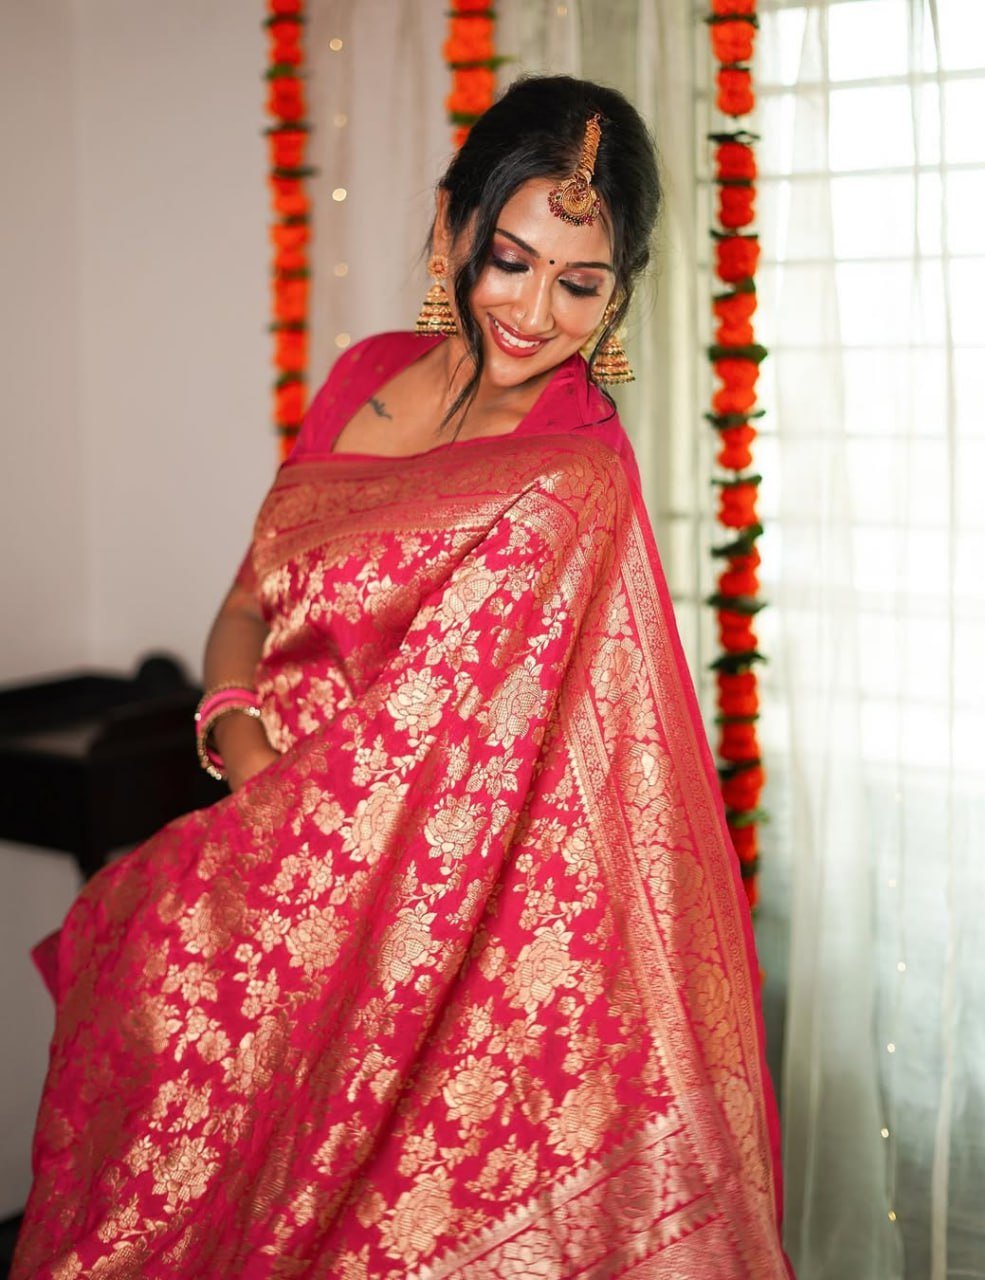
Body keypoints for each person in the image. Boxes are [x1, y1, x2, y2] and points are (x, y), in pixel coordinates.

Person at [13, 75, 791, 1278]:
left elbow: (461, 765)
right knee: (141, 1026)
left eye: (581, 284)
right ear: (448, 229)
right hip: (265, 837)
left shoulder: (571, 474)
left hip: (429, 932)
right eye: (509, 260)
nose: (536, 311)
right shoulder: (363, 373)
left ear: (620, 291)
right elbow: (245, 601)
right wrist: (239, 736)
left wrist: (295, 826)